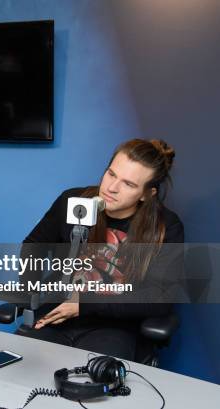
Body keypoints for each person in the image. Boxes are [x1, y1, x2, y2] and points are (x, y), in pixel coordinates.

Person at [19, 139, 184, 360]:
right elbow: (34, 246)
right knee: (22, 368)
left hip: (113, 328)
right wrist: (30, 293)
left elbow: (159, 298)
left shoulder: (166, 227)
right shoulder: (73, 201)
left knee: (91, 384)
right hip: (56, 314)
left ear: (147, 194)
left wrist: (84, 304)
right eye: (111, 174)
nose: (112, 188)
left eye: (129, 184)